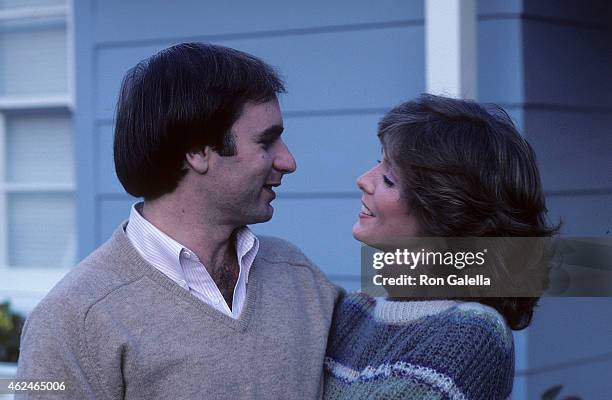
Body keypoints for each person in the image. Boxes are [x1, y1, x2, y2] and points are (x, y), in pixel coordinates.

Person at [17, 42, 340, 399]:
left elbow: (402, 330)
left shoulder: (300, 277)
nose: (288, 161)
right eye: (267, 142)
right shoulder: (70, 320)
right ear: (198, 151)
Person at [324, 94, 559, 399]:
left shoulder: (471, 333)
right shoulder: (357, 310)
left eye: (390, 179)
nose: (363, 180)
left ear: (446, 212)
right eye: (377, 162)